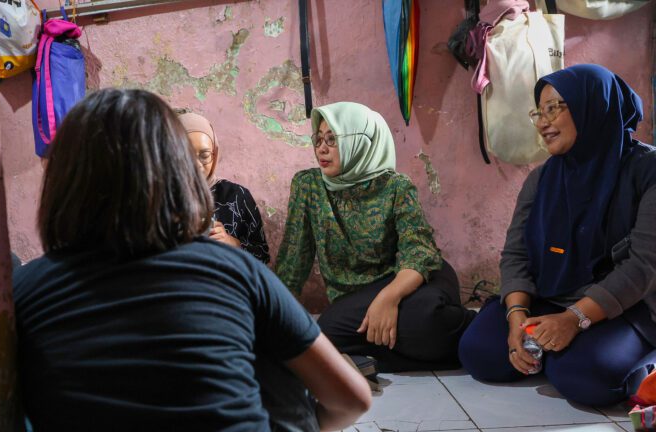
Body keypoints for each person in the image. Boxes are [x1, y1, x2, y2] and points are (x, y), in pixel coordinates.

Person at [13, 89, 371, 432]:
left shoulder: (26, 289)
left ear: (62, 181)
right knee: (276, 355)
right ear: (177, 172)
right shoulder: (229, 270)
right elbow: (352, 399)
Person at [458, 64, 656, 407]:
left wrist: (574, 319)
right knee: (479, 353)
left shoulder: (647, 171)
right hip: (552, 294)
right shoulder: (543, 179)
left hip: (627, 305)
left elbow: (643, 266)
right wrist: (517, 317)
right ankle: (555, 347)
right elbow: (516, 254)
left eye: (554, 108)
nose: (542, 122)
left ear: (592, 106)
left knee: (588, 378)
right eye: (539, 111)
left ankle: (635, 355)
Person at [275, 101, 475, 373]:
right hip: (355, 300)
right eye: (318, 139)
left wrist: (388, 298)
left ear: (362, 142)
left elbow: (419, 251)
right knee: (327, 333)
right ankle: (396, 354)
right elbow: (293, 261)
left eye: (332, 140)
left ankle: (474, 327)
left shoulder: (395, 187)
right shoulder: (308, 186)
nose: (321, 148)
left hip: (411, 279)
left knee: (424, 316)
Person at [178, 112, 270, 263]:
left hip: (224, 284)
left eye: (204, 155)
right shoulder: (159, 198)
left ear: (214, 154)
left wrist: (233, 244)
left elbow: (262, 256)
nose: (195, 165)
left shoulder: (236, 196)